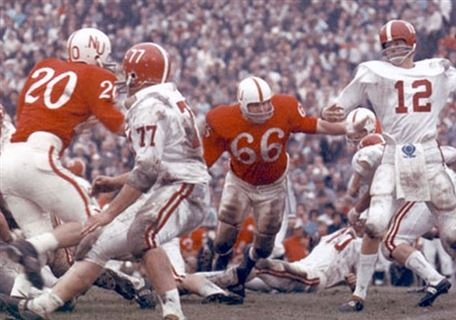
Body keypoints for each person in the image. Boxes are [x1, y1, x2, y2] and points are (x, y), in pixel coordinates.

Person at [0, 42, 209, 320]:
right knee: (96, 242)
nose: (121, 76)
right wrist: (113, 181)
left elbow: (149, 170)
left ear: (137, 76)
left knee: (131, 234)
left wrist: (110, 210)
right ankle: (44, 303)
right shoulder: (164, 99)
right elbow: (156, 166)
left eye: (127, 72)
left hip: (180, 188)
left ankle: (172, 313)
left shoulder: (149, 106)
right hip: (168, 184)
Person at [322, 19, 456, 311]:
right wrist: (332, 109)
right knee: (376, 225)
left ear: (413, 43)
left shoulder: (436, 68)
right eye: (389, 45)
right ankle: (358, 295)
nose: (394, 49)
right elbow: (339, 106)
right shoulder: (372, 71)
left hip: (428, 156)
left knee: (453, 234)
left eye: (400, 43)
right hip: (392, 154)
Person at [0, 28, 125, 294]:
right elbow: (114, 121)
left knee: (41, 240)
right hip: (38, 157)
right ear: (97, 51)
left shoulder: (44, 68)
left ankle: (23, 297)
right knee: (92, 222)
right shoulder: (96, 74)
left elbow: (28, 114)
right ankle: (30, 249)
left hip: (8, 162)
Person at [202, 76, 346, 297]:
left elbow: (314, 125)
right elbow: (204, 161)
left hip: (273, 185)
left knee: (264, 248)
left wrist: (348, 128)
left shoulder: (284, 106)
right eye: (255, 105)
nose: (262, 109)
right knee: (223, 238)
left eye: (265, 103)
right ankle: (216, 272)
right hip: (239, 181)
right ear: (241, 105)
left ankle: (239, 277)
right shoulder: (222, 119)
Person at [346, 128, 456, 310]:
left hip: (429, 191)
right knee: (455, 241)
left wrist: (356, 210)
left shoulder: (378, 156)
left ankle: (435, 279)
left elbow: (367, 189)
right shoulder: (412, 146)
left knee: (391, 242)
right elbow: (452, 152)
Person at [208, 225, 361, 294]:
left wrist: (355, 284)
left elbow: (357, 286)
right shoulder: (348, 236)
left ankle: (211, 282)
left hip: (315, 276)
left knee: (259, 266)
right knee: (251, 273)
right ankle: (203, 282)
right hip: (304, 268)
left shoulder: (354, 241)